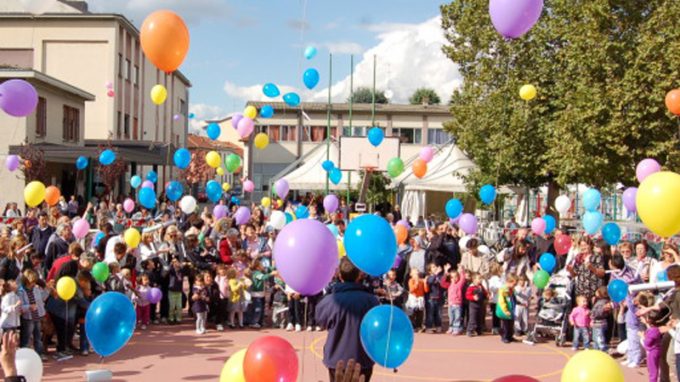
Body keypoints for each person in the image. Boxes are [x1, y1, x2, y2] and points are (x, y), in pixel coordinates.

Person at [315, 257, 380, 382]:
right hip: (363, 358)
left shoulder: (329, 301)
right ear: (359, 275)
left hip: (337, 358)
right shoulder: (371, 300)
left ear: (340, 275)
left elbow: (320, 320)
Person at [17, 270, 48, 361]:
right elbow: (20, 306)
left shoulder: (36, 289)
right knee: (26, 338)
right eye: (32, 282)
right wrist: (29, 307)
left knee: (38, 337)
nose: (33, 284)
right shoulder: (21, 292)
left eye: (34, 282)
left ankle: (39, 353)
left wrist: (48, 290)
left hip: (37, 316)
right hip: (28, 318)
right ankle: (24, 357)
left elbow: (42, 298)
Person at [642, 306, 671, 382]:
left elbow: (647, 343)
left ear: (649, 320)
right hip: (656, 350)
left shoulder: (652, 331)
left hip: (652, 352)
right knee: (654, 369)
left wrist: (642, 336)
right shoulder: (656, 329)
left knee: (652, 371)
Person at [441, 264, 465, 335]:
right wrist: (445, 272)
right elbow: (442, 283)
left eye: (455, 277)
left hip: (457, 304)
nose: (454, 278)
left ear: (458, 277)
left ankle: (456, 328)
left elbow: (463, 279)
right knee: (451, 317)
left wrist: (461, 270)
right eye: (452, 277)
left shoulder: (459, 284)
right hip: (450, 304)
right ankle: (451, 327)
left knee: (457, 317)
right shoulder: (449, 285)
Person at [497, 274, 518, 344]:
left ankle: (510, 336)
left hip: (511, 309)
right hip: (505, 310)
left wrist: (518, 302)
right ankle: (504, 337)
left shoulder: (511, 289)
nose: (514, 286)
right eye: (514, 284)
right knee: (506, 324)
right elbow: (501, 301)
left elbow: (513, 299)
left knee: (511, 324)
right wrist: (505, 310)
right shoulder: (503, 290)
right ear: (509, 282)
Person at [591, 286, 612, 351]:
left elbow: (600, 312)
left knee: (599, 337)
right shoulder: (601, 301)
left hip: (599, 323)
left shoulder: (602, 303)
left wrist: (591, 313)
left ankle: (603, 349)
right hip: (598, 323)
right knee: (596, 337)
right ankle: (596, 349)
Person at [465, 273, 487, 337]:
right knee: (473, 318)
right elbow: (467, 296)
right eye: (479, 278)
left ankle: (478, 330)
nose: (480, 280)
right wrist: (473, 297)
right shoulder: (471, 287)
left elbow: (485, 292)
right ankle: (469, 330)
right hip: (473, 305)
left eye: (481, 278)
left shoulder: (481, 286)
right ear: (474, 279)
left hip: (480, 304)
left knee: (479, 318)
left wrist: (487, 295)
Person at [425, 263, 444, 333]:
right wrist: (435, 274)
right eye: (433, 267)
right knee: (430, 313)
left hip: (439, 298)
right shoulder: (429, 277)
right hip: (431, 298)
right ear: (430, 271)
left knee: (438, 313)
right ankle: (429, 327)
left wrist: (445, 271)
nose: (435, 268)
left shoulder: (439, 276)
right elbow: (430, 281)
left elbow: (443, 283)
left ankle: (438, 326)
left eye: (435, 266)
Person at [167, 258, 184, 325]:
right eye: (175, 263)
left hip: (179, 291)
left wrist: (183, 264)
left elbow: (185, 269)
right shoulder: (172, 271)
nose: (176, 264)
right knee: (172, 306)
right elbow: (168, 269)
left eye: (177, 262)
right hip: (172, 290)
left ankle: (178, 319)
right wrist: (171, 263)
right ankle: (171, 318)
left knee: (179, 306)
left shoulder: (181, 271)